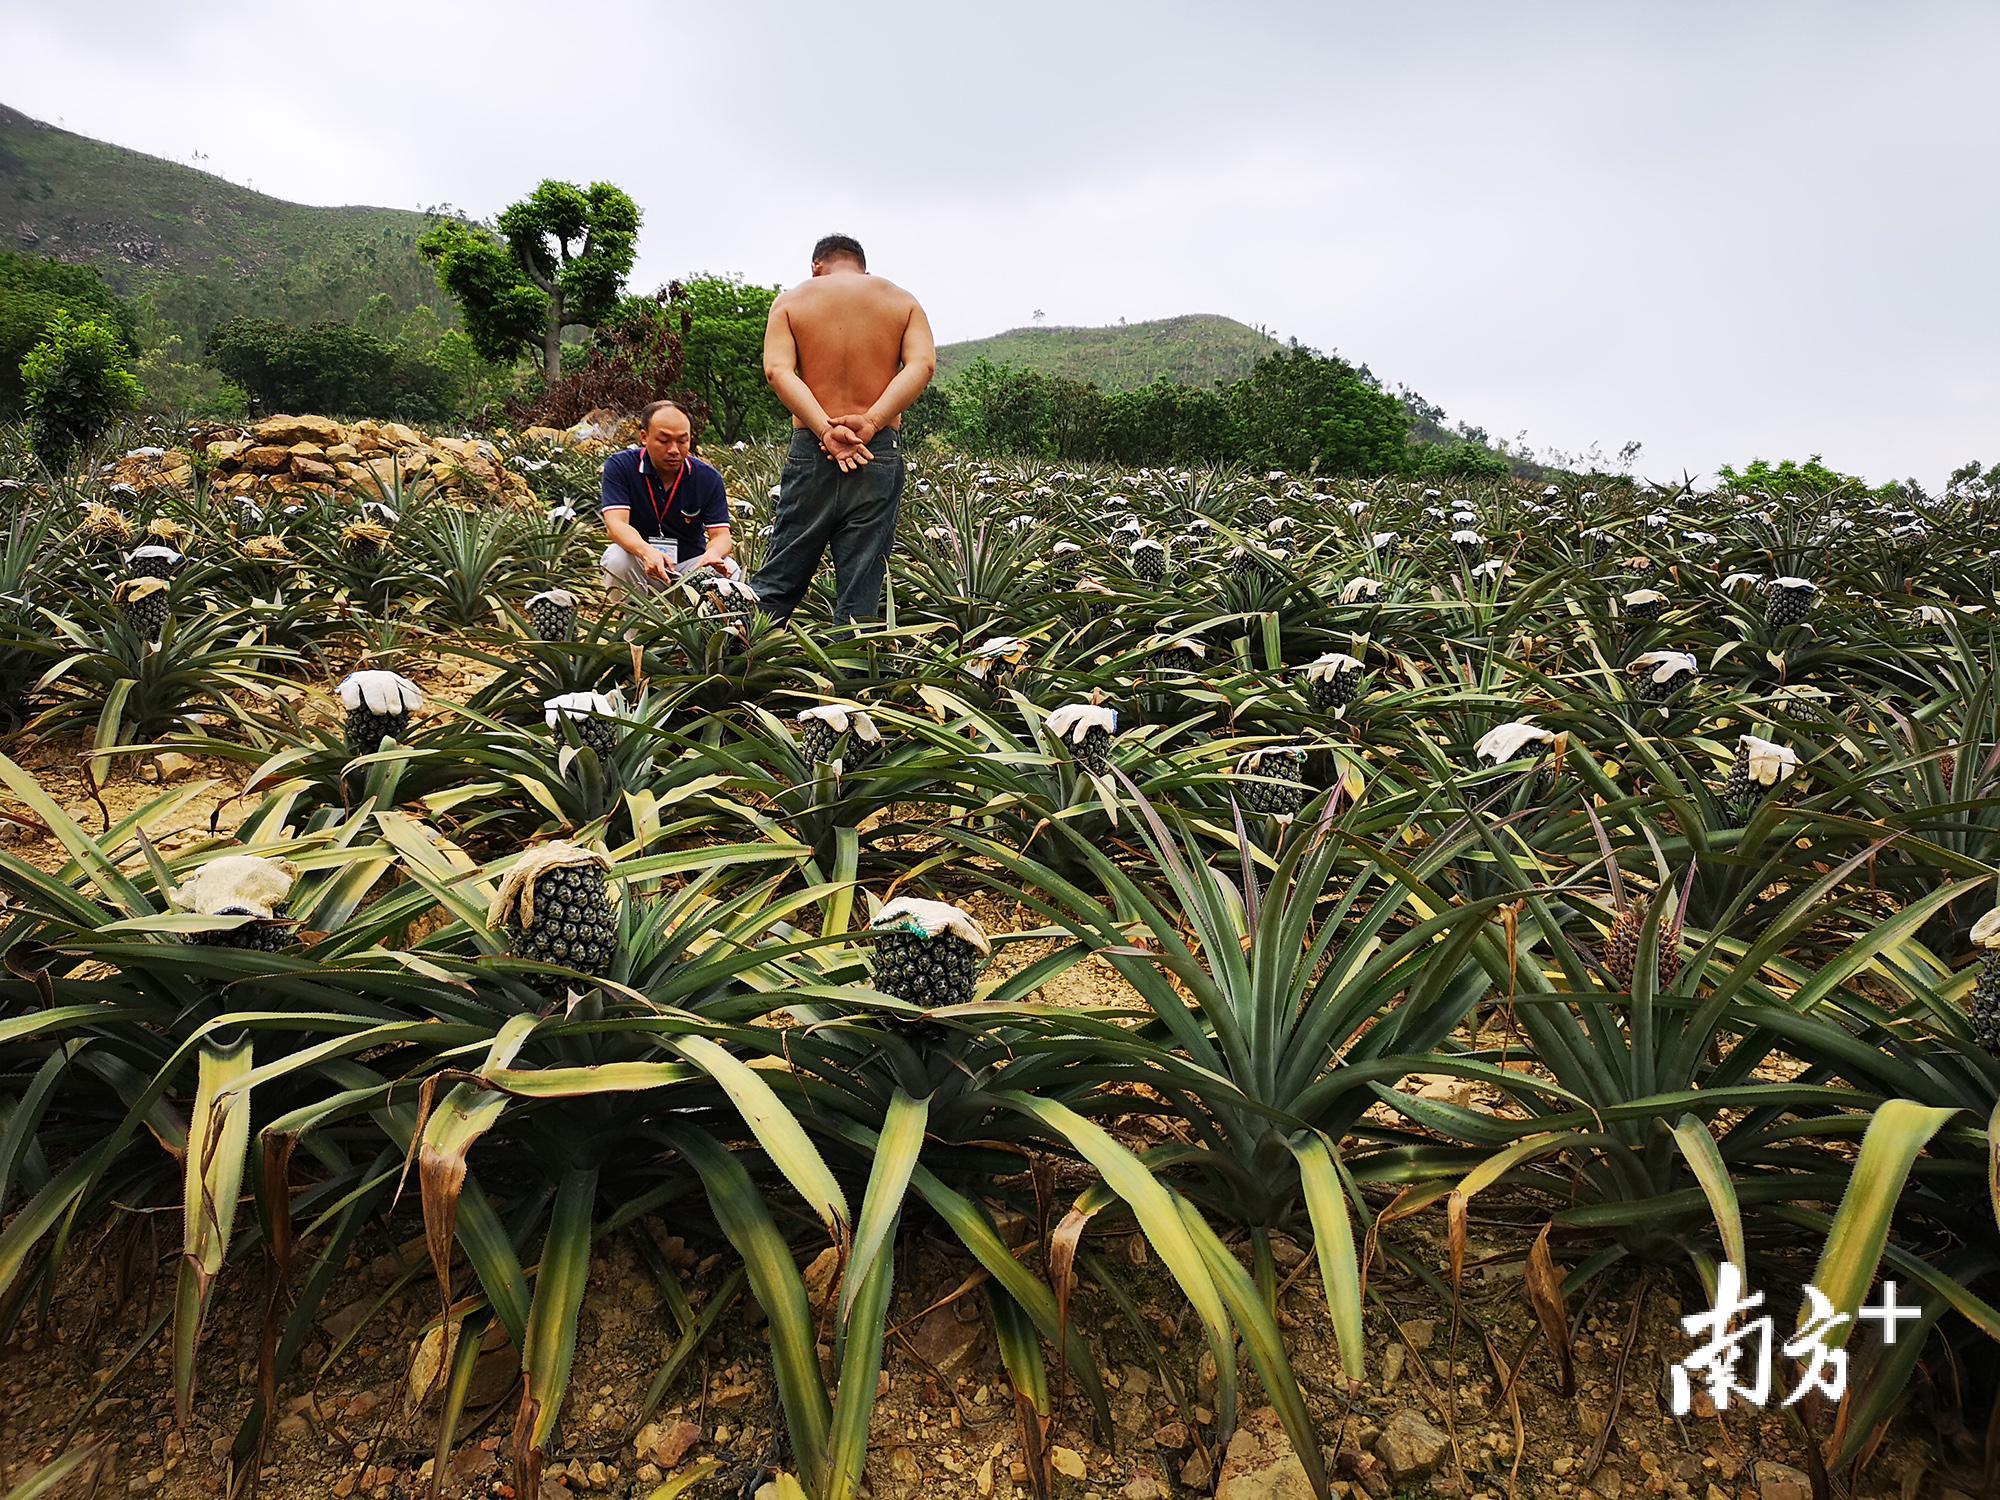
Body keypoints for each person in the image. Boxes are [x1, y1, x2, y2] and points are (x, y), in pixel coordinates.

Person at [750, 234, 936, 624]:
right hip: (876, 449)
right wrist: (870, 422)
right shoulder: (902, 301)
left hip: (813, 447)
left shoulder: (791, 302)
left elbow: (777, 371)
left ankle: (737, 667)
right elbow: (922, 366)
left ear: (816, 266)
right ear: (861, 266)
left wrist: (824, 429)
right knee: (861, 584)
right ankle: (851, 679)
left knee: (781, 573)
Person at [597, 400, 736, 594]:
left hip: (690, 568)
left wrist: (713, 553)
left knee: (731, 571)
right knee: (616, 558)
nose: (674, 450)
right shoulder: (621, 467)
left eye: (682, 441)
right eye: (664, 440)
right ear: (644, 437)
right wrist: (646, 552)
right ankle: (631, 622)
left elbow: (722, 536)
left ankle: (708, 624)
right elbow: (616, 525)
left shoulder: (707, 478)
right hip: (642, 564)